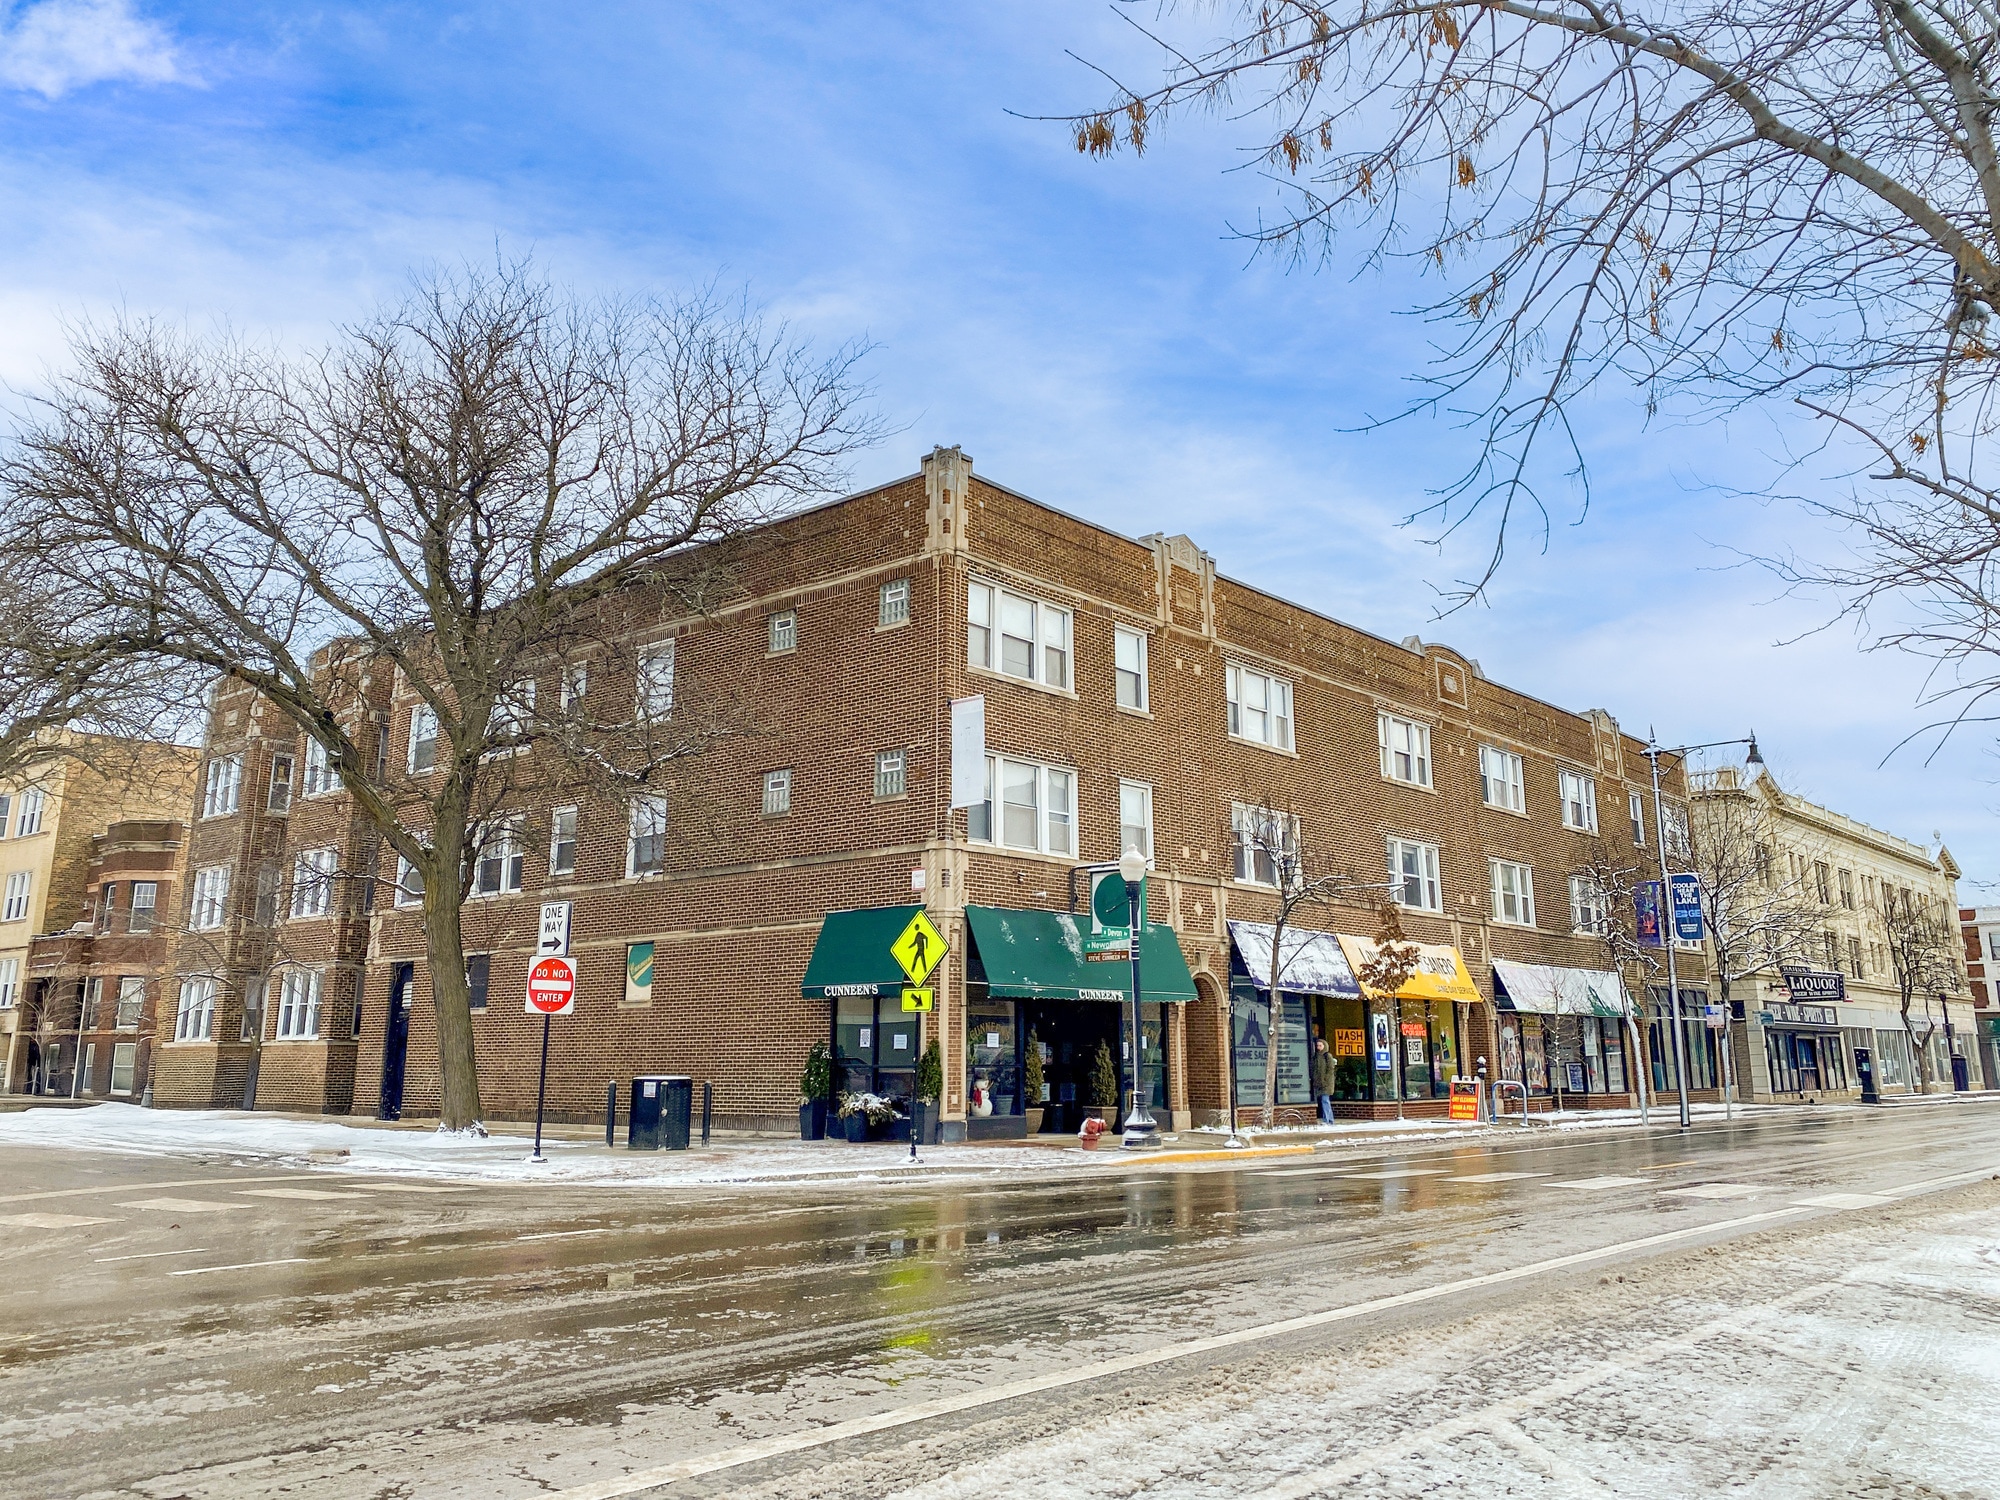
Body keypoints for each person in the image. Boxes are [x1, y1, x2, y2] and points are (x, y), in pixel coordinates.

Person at [1312, 1036, 1336, 1124]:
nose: (1318, 1047)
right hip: (1319, 1083)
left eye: (1320, 1046)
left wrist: (1325, 1081)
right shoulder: (1316, 1057)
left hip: (1326, 1083)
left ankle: (1327, 1120)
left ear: (1324, 1046)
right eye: (1317, 1046)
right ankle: (1329, 1119)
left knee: (1325, 1100)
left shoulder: (1327, 1056)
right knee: (1324, 1101)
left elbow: (1330, 1070)